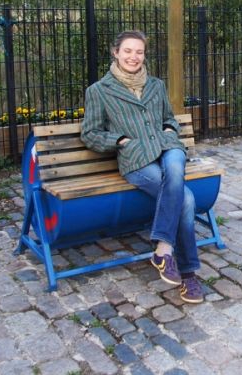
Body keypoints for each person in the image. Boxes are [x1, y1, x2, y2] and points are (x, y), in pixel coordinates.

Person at [81, 29, 203, 303]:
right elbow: (90, 134)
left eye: (139, 52)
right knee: (186, 199)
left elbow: (169, 119)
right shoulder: (99, 91)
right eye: (127, 51)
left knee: (174, 167)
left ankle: (164, 248)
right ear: (116, 53)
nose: (133, 57)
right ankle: (188, 273)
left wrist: (171, 131)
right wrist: (120, 140)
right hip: (136, 158)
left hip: (167, 147)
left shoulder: (156, 85)